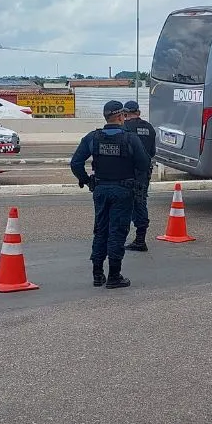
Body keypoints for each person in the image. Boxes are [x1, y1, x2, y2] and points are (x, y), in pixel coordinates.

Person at [69, 100, 151, 288]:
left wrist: (87, 180)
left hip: (100, 190)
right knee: (118, 231)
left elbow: (75, 163)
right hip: (123, 191)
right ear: (121, 116)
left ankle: (98, 275)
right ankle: (114, 275)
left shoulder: (93, 137)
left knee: (101, 229)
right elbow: (144, 164)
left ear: (106, 117)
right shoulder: (130, 139)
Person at [121, 99, 156, 251]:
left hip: (127, 173)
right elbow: (153, 152)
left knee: (122, 205)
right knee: (141, 203)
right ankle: (140, 239)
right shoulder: (149, 128)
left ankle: (118, 238)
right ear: (139, 113)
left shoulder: (124, 128)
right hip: (144, 173)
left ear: (125, 114)